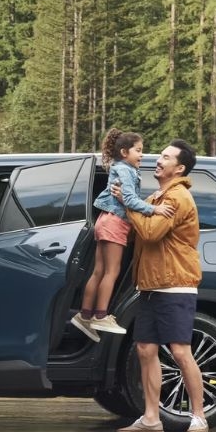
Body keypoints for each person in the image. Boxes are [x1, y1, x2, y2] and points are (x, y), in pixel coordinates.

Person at [113, 139, 209, 432]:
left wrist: (128, 203)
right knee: (145, 349)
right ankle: (151, 418)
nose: (158, 160)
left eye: (166, 158)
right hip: (152, 286)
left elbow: (152, 232)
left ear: (179, 168)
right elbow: (140, 233)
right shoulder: (158, 197)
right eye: (160, 156)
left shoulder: (177, 198)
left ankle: (199, 416)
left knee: (180, 351)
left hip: (175, 285)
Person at [70, 128, 174, 341]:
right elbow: (130, 199)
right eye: (139, 150)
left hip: (105, 220)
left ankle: (85, 315)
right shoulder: (126, 170)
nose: (142, 155)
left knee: (99, 271)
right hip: (116, 222)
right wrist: (155, 209)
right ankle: (101, 316)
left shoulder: (119, 167)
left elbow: (126, 198)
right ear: (125, 152)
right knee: (112, 271)